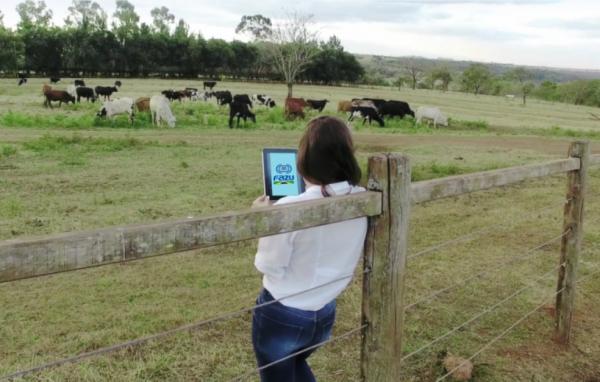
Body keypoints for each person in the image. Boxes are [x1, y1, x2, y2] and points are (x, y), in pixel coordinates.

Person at [251, 116, 368, 381]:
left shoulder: (288, 209)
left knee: (279, 374)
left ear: (304, 160)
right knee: (295, 367)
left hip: (283, 311)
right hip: (325, 310)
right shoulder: (363, 198)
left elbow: (269, 266)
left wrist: (264, 221)